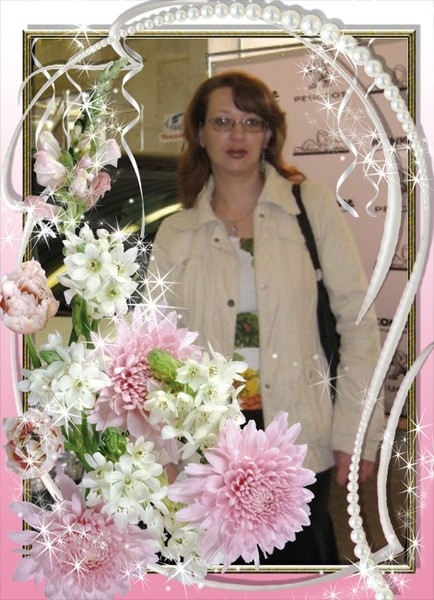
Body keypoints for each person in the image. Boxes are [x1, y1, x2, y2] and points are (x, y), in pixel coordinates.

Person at [148, 71, 384, 566]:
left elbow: (357, 324)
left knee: (297, 573)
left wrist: (354, 432)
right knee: (211, 577)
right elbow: (155, 352)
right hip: (206, 447)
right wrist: (163, 453)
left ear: (269, 134)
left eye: (251, 122)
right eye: (222, 122)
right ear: (199, 133)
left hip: (296, 439)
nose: (237, 134)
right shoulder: (176, 233)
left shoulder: (310, 207)